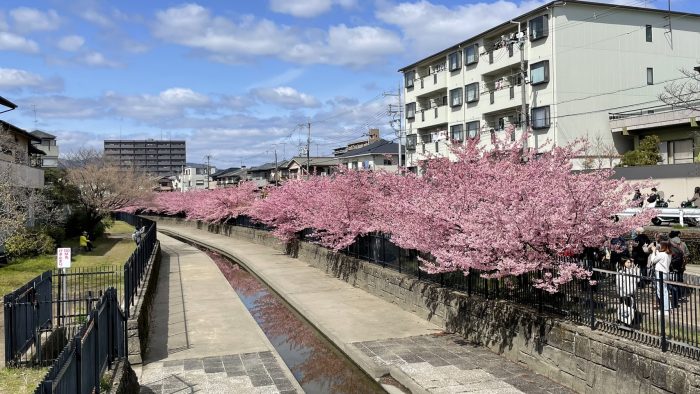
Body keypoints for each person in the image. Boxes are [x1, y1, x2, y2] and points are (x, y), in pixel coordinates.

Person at [649, 241, 672, 315]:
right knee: (665, 290)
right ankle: (668, 306)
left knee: (660, 291)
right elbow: (660, 256)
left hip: (660, 273)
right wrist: (656, 251)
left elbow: (653, 261)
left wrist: (653, 251)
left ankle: (664, 309)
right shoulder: (668, 254)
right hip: (666, 273)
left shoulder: (662, 254)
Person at [616, 258, 640, 326]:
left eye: (630, 262)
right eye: (628, 262)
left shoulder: (632, 271)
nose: (629, 264)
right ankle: (622, 322)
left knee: (632, 308)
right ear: (624, 263)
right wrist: (622, 293)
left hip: (632, 293)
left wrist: (636, 271)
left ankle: (630, 322)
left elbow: (637, 280)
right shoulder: (621, 272)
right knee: (624, 308)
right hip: (624, 293)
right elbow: (619, 284)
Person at [669, 230, 689, 305]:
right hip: (681, 264)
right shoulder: (683, 243)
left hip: (672, 265)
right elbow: (687, 254)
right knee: (680, 279)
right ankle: (680, 295)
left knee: (672, 280)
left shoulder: (669, 243)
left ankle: (674, 295)